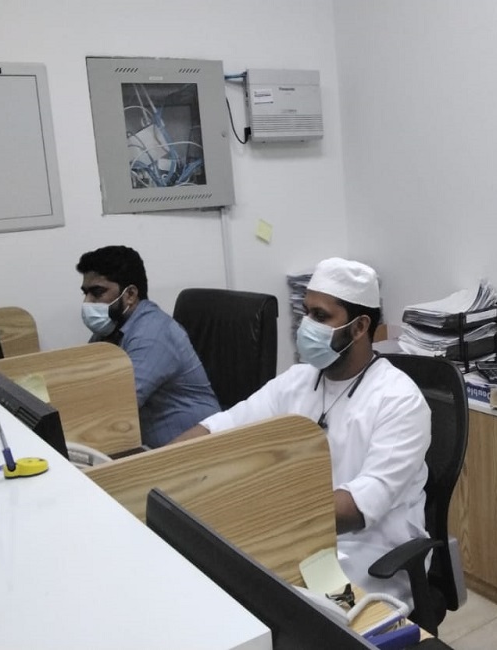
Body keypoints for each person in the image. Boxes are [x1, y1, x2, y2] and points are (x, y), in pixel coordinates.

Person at [178, 257, 431, 604]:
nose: (306, 325)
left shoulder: (399, 400)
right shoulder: (299, 379)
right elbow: (222, 427)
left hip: (366, 557)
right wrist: (162, 463)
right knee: (215, 579)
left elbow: (359, 507)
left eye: (320, 316)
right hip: (299, 536)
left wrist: (262, 512)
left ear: (360, 327)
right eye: (306, 312)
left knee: (273, 604)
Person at [76, 245, 220, 449]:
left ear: (130, 294)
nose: (87, 302)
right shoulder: (111, 329)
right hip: (153, 446)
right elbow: (86, 383)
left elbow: (115, 409)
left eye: (97, 292)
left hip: (197, 448)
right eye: (85, 293)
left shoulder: (153, 335)